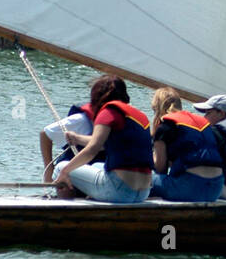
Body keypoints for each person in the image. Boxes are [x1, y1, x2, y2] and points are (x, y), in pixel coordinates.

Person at [54, 74, 153, 202]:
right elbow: (102, 144)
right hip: (143, 192)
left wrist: (65, 171)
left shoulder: (107, 112)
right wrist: (77, 138)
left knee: (60, 168)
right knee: (96, 166)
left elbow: (92, 149)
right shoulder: (139, 116)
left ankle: (66, 209)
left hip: (119, 191)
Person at [148, 87, 225, 202]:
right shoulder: (203, 123)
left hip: (190, 189)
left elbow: (160, 169)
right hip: (216, 188)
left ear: (158, 109)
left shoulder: (165, 127)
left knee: (144, 180)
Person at [39, 102, 97, 183]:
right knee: (61, 168)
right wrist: (49, 172)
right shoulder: (83, 120)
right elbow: (45, 133)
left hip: (97, 172)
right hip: (71, 174)